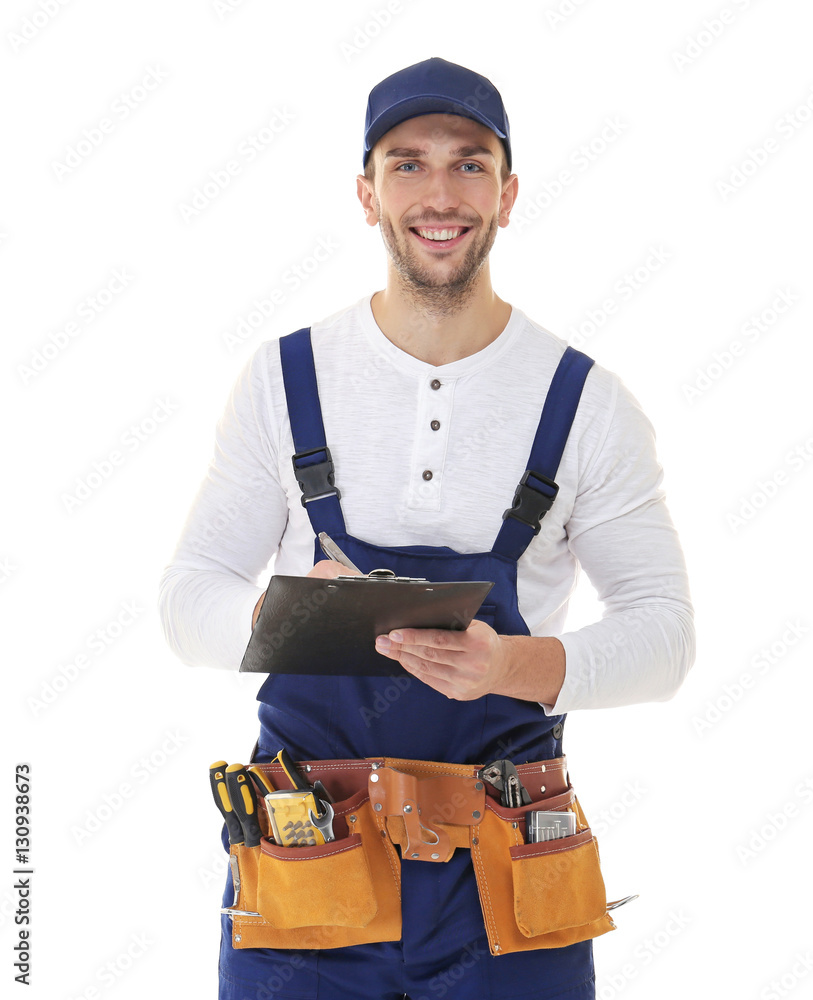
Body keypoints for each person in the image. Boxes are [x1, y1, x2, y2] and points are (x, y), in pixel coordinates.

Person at [159, 56, 695, 1000]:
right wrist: (275, 622)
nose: (438, 193)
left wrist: (510, 669)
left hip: (509, 879)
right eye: (406, 163)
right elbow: (186, 591)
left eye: (469, 163)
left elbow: (665, 634)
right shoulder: (286, 382)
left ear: (509, 191)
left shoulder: (587, 404)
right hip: (308, 864)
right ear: (365, 194)